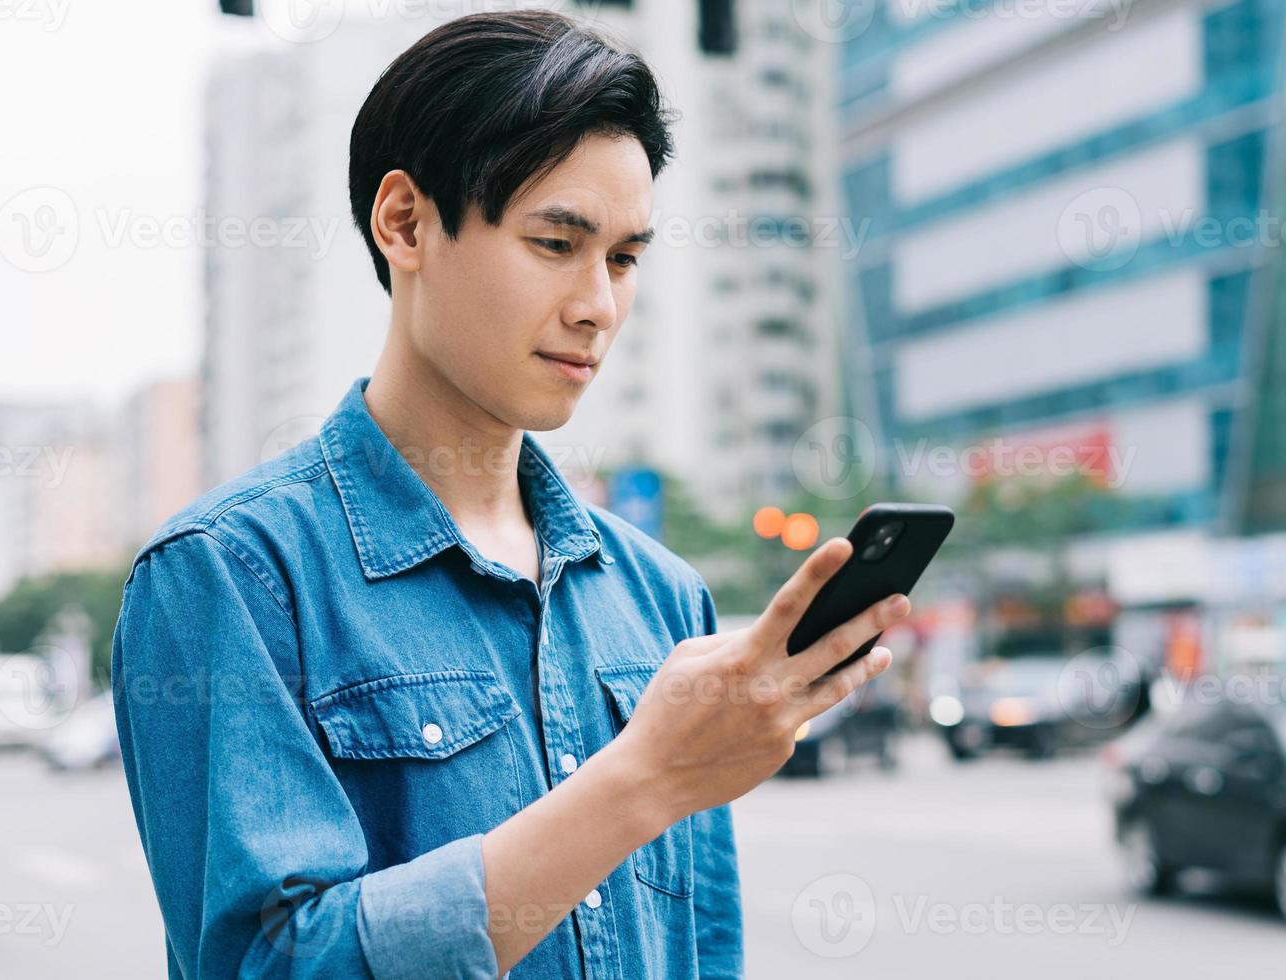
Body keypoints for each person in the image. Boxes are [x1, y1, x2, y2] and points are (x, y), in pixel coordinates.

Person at [111, 12, 907, 979]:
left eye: (622, 259)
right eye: (554, 243)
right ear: (405, 223)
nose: (597, 306)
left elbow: (701, 951)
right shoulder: (230, 575)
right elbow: (266, 965)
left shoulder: (659, 595)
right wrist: (640, 779)